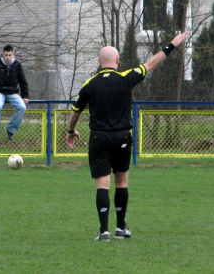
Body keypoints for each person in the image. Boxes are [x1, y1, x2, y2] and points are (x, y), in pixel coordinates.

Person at [66, 31, 189, 241]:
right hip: (122, 137)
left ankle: (104, 231)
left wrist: (70, 132)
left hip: (99, 138)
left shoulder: (89, 84)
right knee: (121, 183)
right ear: (117, 60)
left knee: (102, 185)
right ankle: (120, 228)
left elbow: (75, 111)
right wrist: (172, 44)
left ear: (99, 61)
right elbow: (151, 63)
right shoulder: (126, 78)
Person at [0, 45, 29, 142]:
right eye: (6, 55)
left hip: (12, 92)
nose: (8, 57)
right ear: (2, 54)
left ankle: (10, 129)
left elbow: (23, 81)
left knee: (22, 107)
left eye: (9, 55)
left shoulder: (17, 65)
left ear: (13, 54)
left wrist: (25, 96)